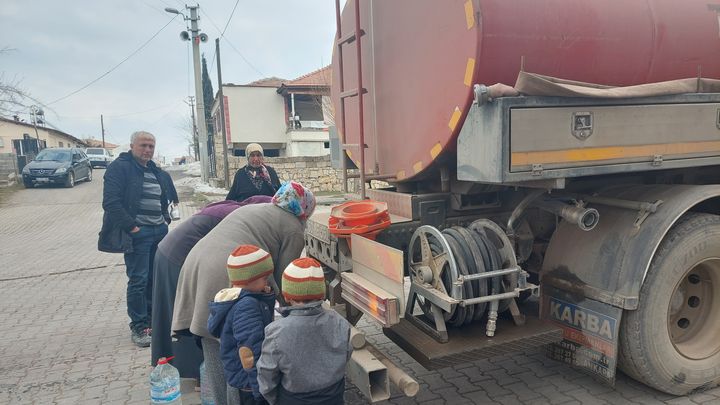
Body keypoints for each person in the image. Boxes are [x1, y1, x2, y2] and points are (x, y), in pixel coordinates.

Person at [172, 181, 315, 405]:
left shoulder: (258, 208)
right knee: (238, 355)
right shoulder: (293, 227)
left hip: (196, 262)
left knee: (213, 338)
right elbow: (286, 279)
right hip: (229, 269)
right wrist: (297, 317)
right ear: (305, 209)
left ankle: (220, 399)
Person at [151, 196, 272, 377]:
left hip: (169, 250)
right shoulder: (237, 218)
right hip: (178, 256)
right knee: (191, 313)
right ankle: (195, 372)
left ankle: (172, 363)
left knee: (170, 311)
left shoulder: (237, 210)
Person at [98, 130, 170, 347]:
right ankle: (139, 326)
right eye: (143, 145)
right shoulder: (120, 168)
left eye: (151, 146)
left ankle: (153, 321)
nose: (148, 150)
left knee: (155, 279)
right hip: (139, 234)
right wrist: (133, 227)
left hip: (159, 231)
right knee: (139, 279)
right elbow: (111, 203)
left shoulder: (153, 170)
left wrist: (164, 218)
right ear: (131, 146)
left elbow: (163, 197)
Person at [257, 258, 352, 405]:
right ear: (322, 294)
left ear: (287, 296)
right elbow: (346, 354)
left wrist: (273, 399)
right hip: (333, 397)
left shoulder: (276, 332)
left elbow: (267, 374)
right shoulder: (339, 322)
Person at [207, 245, 276, 405]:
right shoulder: (247, 306)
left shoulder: (236, 299)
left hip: (242, 379)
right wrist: (260, 389)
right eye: (264, 278)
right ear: (250, 280)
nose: (267, 282)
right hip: (250, 384)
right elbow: (249, 351)